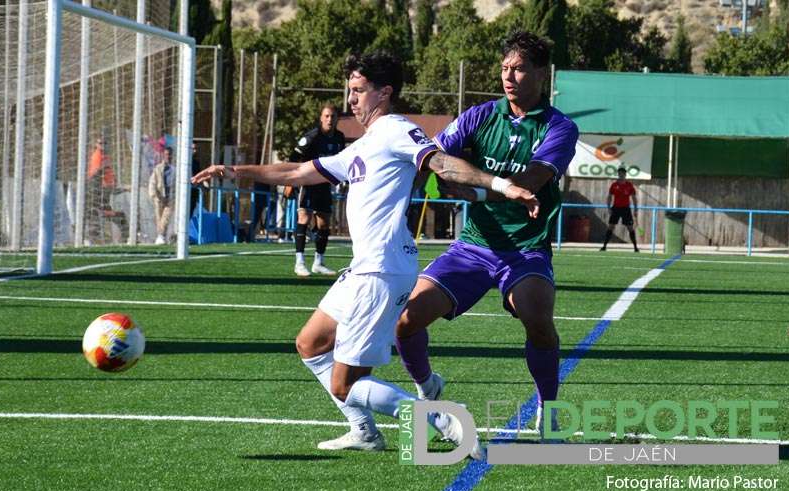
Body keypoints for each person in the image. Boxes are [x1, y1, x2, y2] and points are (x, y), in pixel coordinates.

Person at [192, 50, 538, 456]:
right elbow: (298, 171)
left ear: (384, 93)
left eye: (358, 90)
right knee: (310, 344)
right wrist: (235, 171)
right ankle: (364, 432)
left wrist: (501, 185)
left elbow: (441, 163)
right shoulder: (362, 144)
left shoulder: (396, 130)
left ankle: (442, 419)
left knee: (346, 384)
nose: (350, 99)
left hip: (382, 269)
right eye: (349, 90)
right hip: (365, 268)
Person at [393, 31, 579, 439]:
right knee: (405, 320)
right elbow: (435, 159)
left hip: (525, 250)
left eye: (520, 69)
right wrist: (411, 188)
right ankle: (428, 388)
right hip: (473, 246)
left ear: (542, 74)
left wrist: (476, 189)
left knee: (538, 320)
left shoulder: (560, 127)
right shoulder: (479, 116)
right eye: (505, 68)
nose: (509, 76)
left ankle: (548, 406)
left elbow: (530, 180)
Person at [287, 104, 345, 277]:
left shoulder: (339, 138)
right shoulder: (312, 136)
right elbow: (294, 157)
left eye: (333, 116)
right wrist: (290, 181)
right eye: (326, 116)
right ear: (321, 118)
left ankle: (318, 262)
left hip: (324, 184)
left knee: (324, 223)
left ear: (337, 119)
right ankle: (299, 262)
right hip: (307, 182)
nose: (329, 119)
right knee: (304, 217)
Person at [86, 136, 126, 244]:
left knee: (112, 216)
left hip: (104, 193)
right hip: (98, 194)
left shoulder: (104, 156)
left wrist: (114, 182)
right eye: (100, 143)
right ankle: (90, 239)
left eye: (105, 143)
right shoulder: (97, 157)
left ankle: (123, 238)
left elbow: (108, 174)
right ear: (96, 145)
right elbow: (94, 175)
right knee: (98, 214)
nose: (103, 145)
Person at [600, 166, 639, 252]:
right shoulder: (614, 185)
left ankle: (635, 247)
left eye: (622, 174)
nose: (621, 175)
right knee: (611, 226)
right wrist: (609, 208)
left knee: (630, 228)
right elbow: (609, 197)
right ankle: (604, 246)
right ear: (618, 174)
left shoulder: (629, 185)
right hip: (616, 208)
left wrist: (636, 209)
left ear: (625, 174)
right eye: (619, 174)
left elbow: (634, 198)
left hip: (626, 209)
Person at [148, 146, 175, 244]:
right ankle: (162, 236)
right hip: (160, 197)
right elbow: (153, 182)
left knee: (166, 217)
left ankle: (161, 236)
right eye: (166, 154)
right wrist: (153, 194)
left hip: (171, 197)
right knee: (159, 217)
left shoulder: (175, 168)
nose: (168, 156)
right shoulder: (158, 168)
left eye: (169, 154)